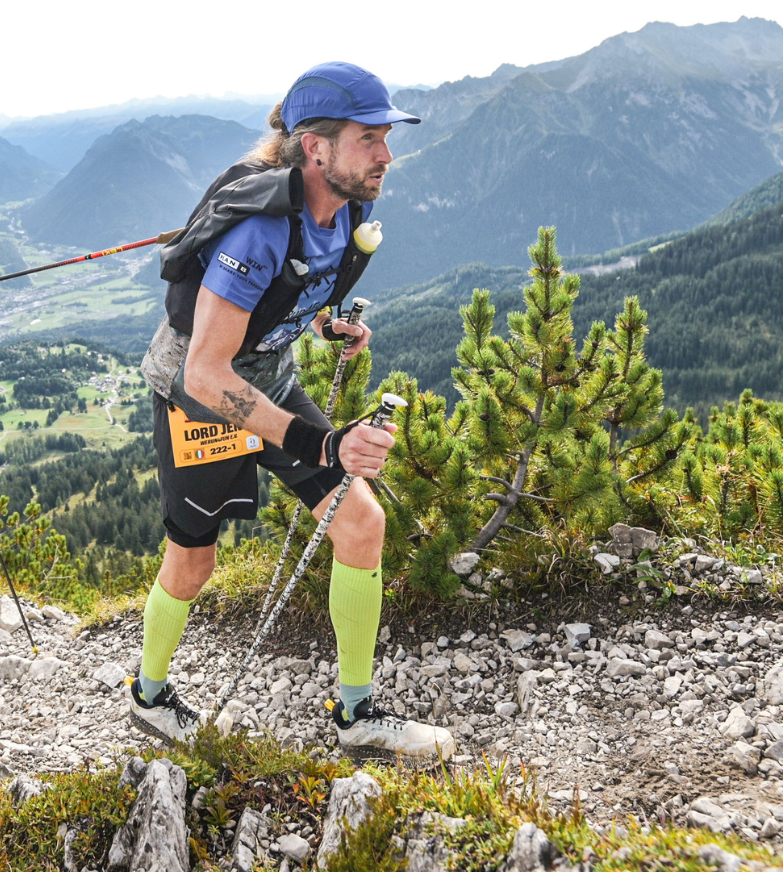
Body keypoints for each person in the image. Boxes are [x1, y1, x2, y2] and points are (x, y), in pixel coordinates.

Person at [131, 62, 455, 759]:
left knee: (362, 523)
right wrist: (321, 444)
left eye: (386, 138)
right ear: (316, 147)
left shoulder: (345, 210)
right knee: (192, 565)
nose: (386, 155)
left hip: (268, 382)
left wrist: (325, 324)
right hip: (200, 402)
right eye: (370, 138)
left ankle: (357, 714)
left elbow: (288, 298)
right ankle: (149, 696)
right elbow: (207, 372)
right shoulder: (255, 234)